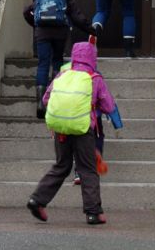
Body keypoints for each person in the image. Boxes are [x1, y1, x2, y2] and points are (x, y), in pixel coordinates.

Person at [27, 42, 115, 225]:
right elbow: (108, 106)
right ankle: (93, 212)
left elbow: (46, 98)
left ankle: (37, 200)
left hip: (60, 128)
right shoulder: (94, 78)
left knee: (61, 165)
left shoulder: (63, 74)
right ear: (93, 57)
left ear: (74, 56)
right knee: (87, 168)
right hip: (83, 129)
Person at [23, 0, 95, 118]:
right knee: (57, 62)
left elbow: (26, 11)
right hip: (60, 33)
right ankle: (54, 99)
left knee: (43, 64)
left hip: (42, 33)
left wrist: (36, 25)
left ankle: (40, 104)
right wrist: (92, 30)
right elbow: (77, 18)